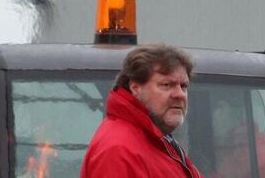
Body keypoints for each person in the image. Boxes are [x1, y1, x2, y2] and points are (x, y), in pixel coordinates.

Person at [80, 44, 203, 178]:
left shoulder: (157, 142)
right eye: (167, 85)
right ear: (135, 88)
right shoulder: (119, 149)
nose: (180, 94)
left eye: (183, 86)